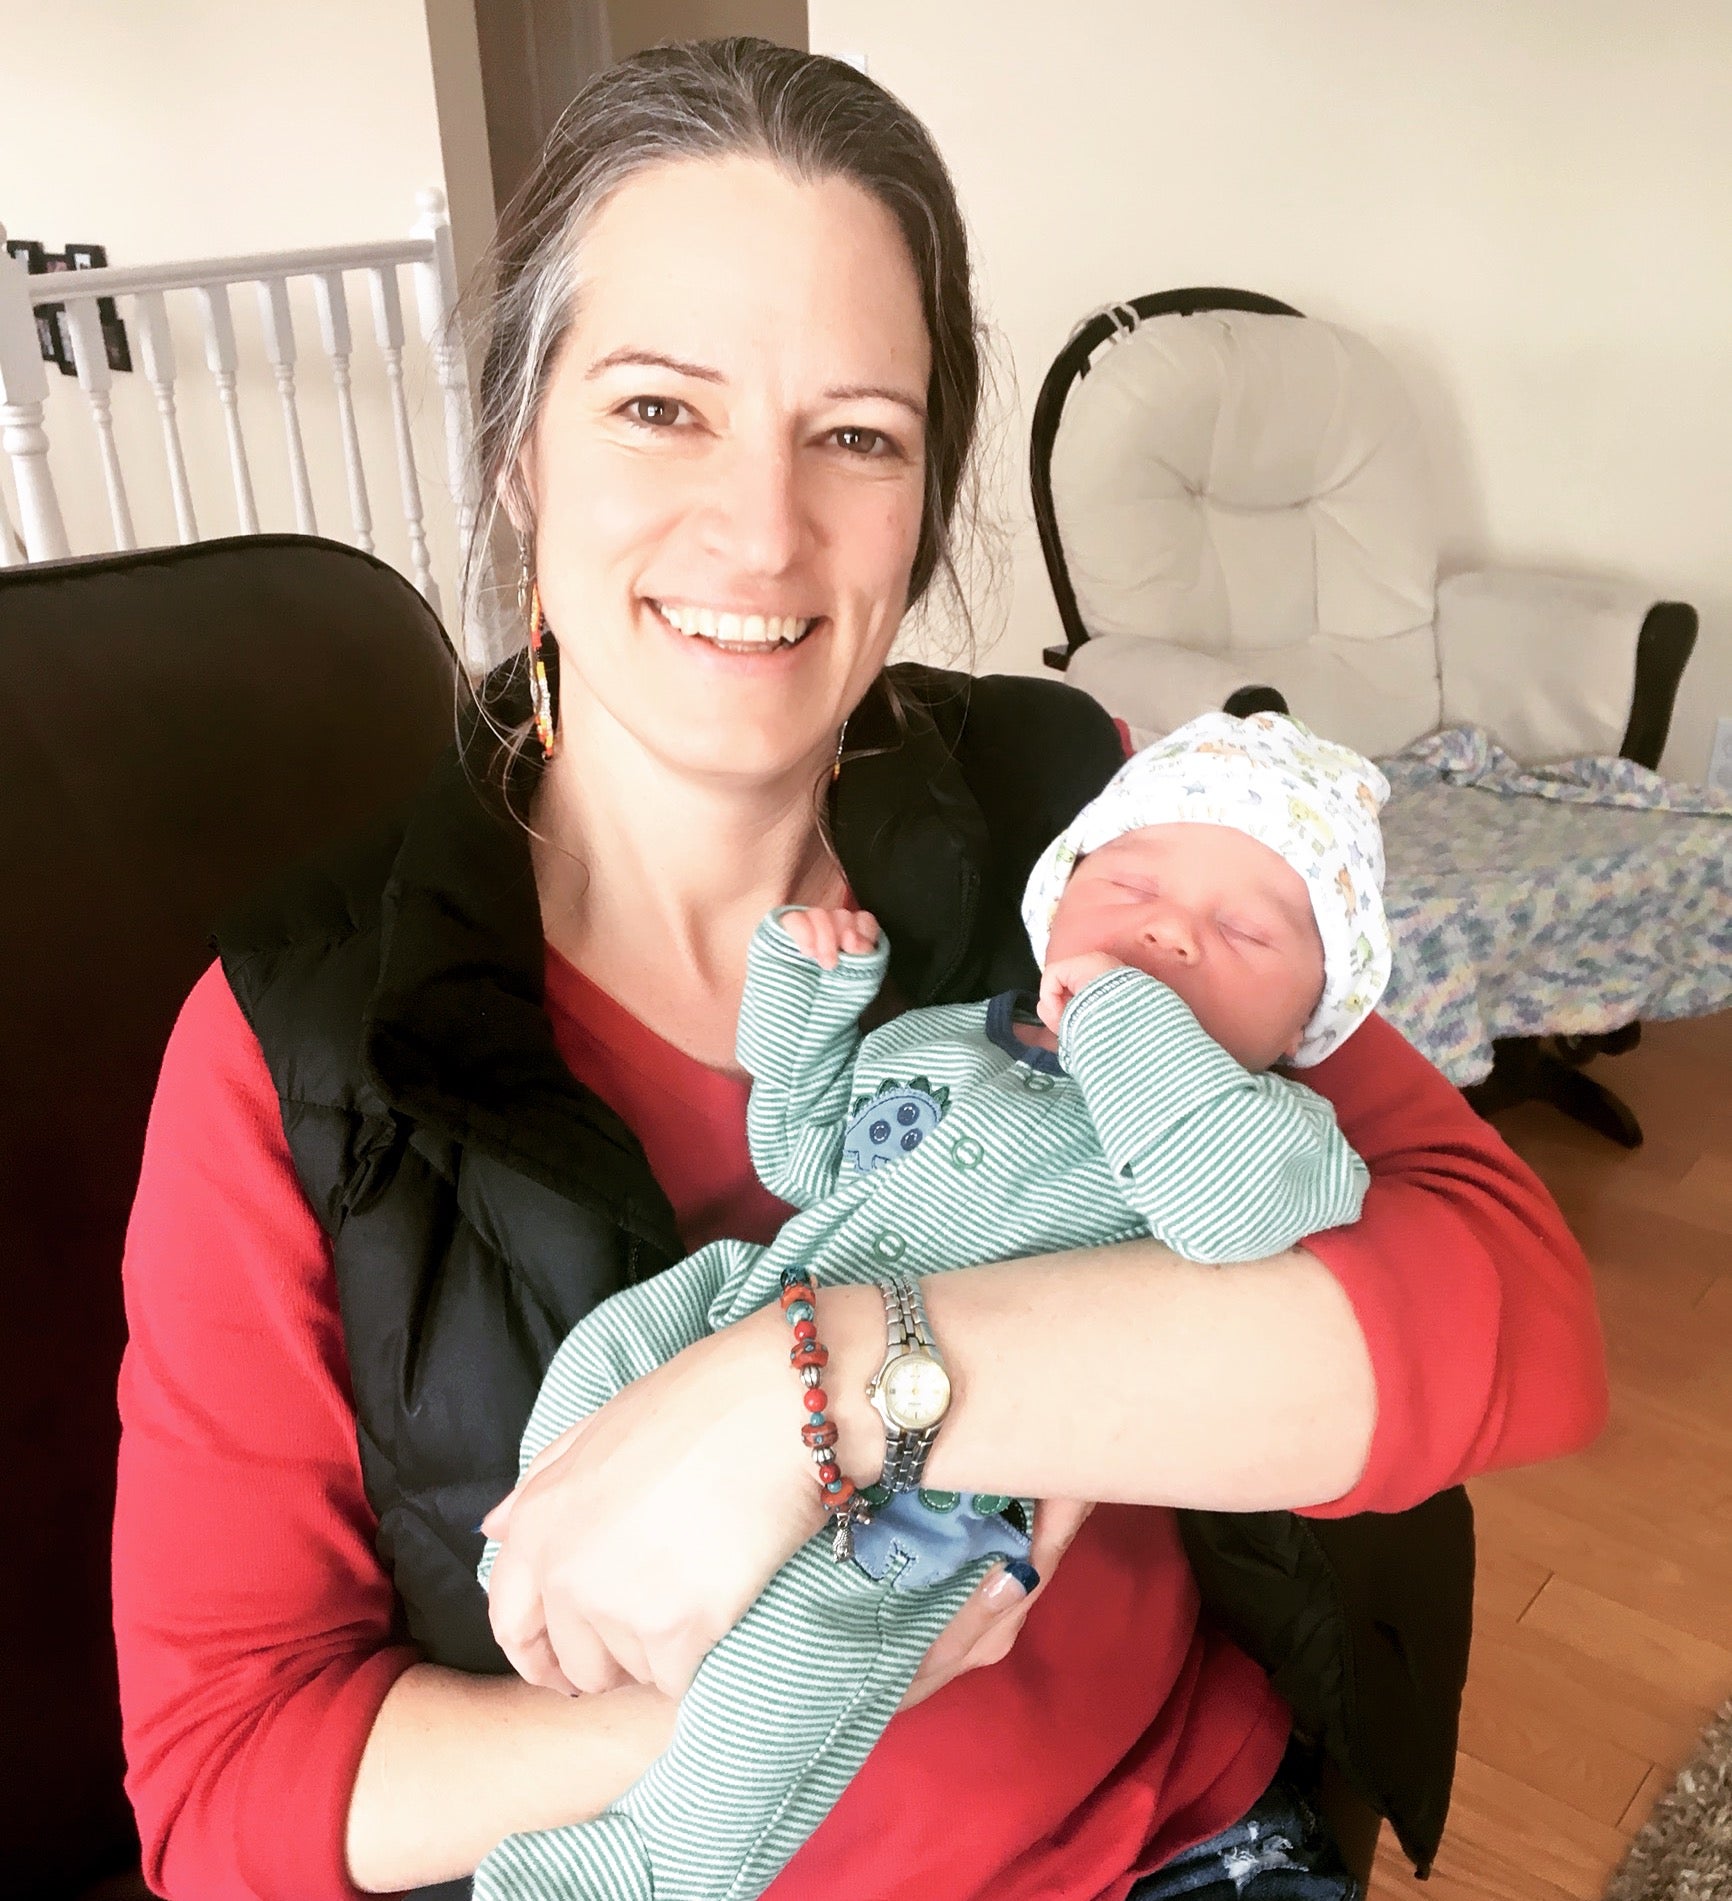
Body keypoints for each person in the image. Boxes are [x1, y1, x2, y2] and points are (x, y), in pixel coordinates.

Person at [112, 37, 1608, 1901]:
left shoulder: (1085, 817)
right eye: (661, 408)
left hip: (1187, 1845)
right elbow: (225, 1787)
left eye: (856, 434)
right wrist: (787, 1691)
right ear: (517, 454)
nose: (763, 530)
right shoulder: (293, 1050)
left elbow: (1514, 1315)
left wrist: (825, 1387)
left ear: (923, 503)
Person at [472, 709, 1392, 1901]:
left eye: (1245, 930)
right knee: (626, 1335)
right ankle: (557, 1516)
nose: (1168, 925)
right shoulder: (957, 1039)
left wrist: (1124, 1020)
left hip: (935, 1493)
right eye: (1128, 881)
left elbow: (1232, 1218)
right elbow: (804, 1152)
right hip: (758, 1307)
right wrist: (808, 1006)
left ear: (1309, 1024)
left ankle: (656, 1865)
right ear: (1053, 903)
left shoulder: (1271, 1134)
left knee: (800, 1661)